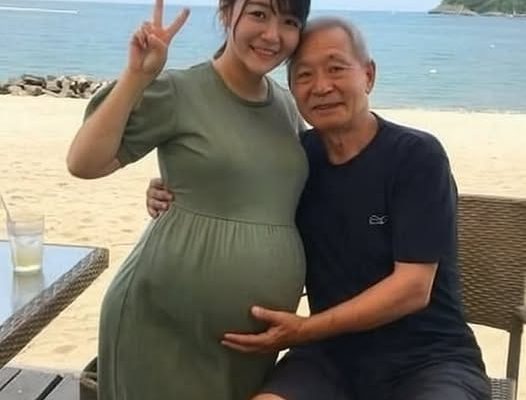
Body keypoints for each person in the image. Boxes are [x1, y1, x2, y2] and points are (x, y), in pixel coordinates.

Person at [147, 17, 491, 400]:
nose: (322, 86)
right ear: (292, 89)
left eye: (336, 69)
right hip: (330, 359)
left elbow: (413, 288)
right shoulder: (296, 162)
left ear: (368, 75)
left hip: (429, 359)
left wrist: (303, 330)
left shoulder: (415, 156)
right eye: (304, 75)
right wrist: (174, 189)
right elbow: (234, 189)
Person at [66, 0, 311, 398]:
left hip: (249, 341)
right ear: (227, 13)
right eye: (259, 14)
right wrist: (137, 75)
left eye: (289, 21)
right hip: (162, 324)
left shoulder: (285, 106)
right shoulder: (180, 90)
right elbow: (84, 163)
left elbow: (272, 188)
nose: (272, 34)